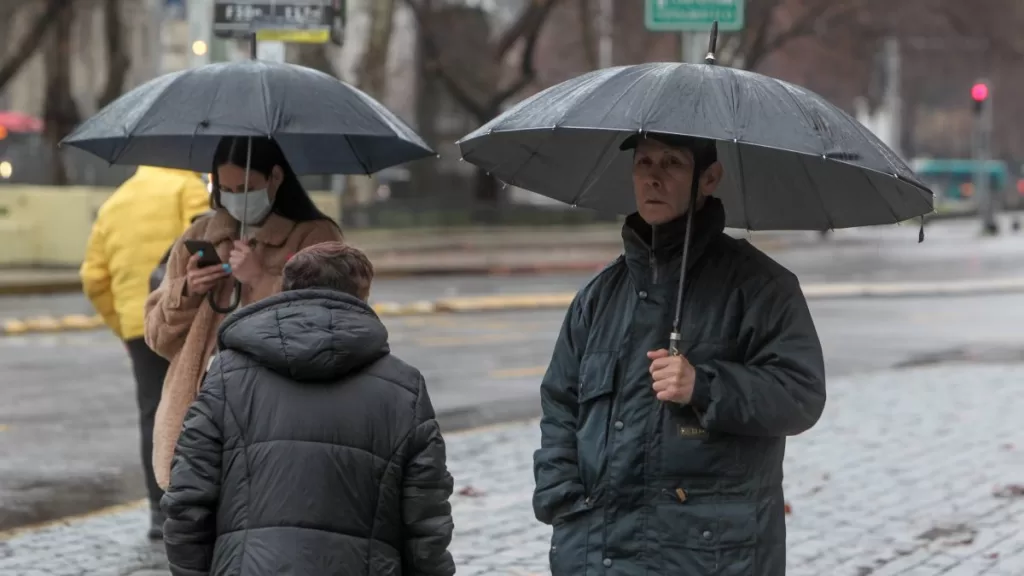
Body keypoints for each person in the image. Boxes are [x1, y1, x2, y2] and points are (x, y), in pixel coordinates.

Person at [533, 133, 827, 576]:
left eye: (671, 163)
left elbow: (801, 394)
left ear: (709, 178)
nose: (652, 177)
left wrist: (705, 386)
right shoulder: (599, 297)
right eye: (643, 162)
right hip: (600, 554)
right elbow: (560, 404)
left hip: (711, 557)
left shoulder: (761, 287)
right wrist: (563, 502)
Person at [161, 242, 456, 576]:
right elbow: (427, 523)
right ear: (362, 296)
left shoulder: (227, 376)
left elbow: (188, 500)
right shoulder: (405, 388)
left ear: (287, 290)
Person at [145, 136, 344, 492]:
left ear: (276, 178)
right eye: (227, 188)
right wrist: (188, 289)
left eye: (247, 187)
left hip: (275, 407)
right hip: (202, 404)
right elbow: (158, 338)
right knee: (199, 520)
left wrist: (259, 279)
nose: (237, 197)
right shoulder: (200, 235)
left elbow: (326, 326)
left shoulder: (315, 235)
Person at [79, 165, 210, 539]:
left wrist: (123, 324)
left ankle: (158, 509)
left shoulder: (116, 201)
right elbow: (204, 242)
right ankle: (195, 504)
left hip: (138, 325)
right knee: (196, 407)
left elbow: (93, 277)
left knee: (153, 411)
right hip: (183, 319)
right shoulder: (189, 188)